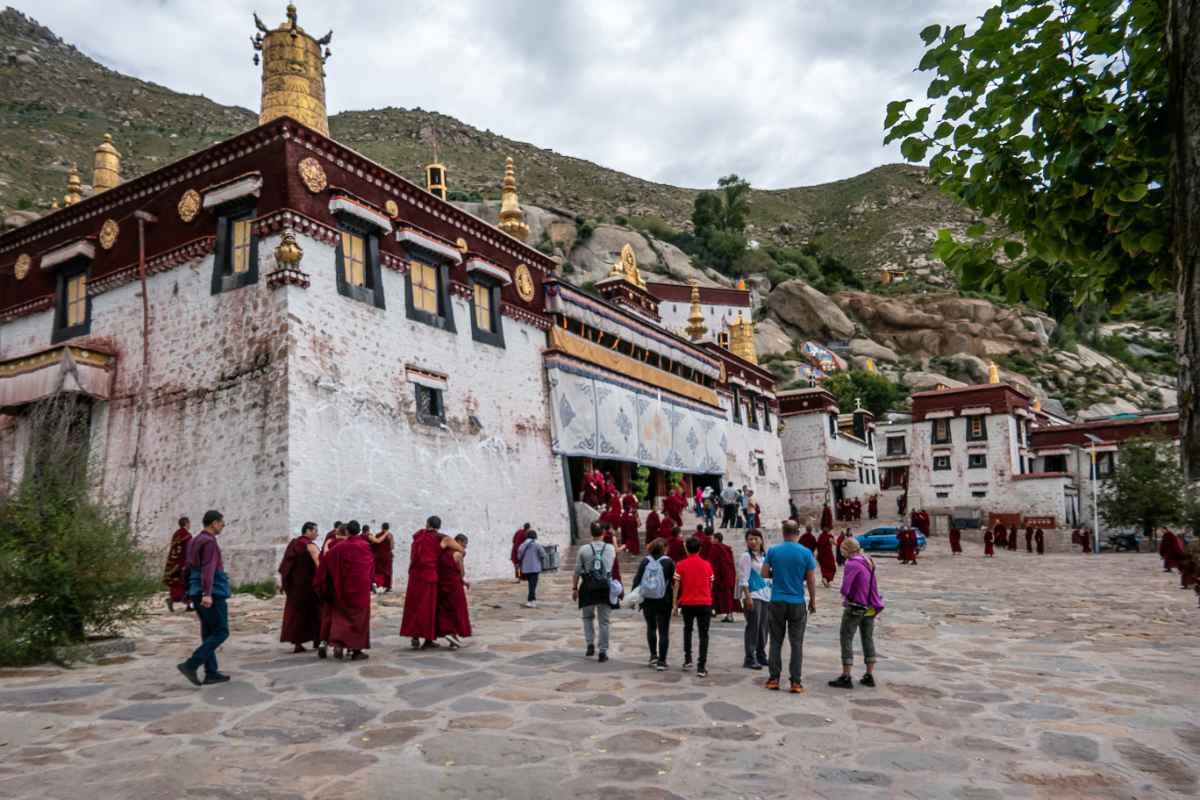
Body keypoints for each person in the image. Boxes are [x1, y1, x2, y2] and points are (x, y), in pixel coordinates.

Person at [762, 520, 817, 693]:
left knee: (775, 641)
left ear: (783, 532)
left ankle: (774, 679)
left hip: (777, 600)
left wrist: (777, 574)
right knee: (796, 643)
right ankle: (795, 682)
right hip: (797, 601)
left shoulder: (773, 551)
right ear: (797, 533)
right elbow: (811, 579)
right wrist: (813, 600)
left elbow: (764, 573)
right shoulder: (806, 553)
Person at [177, 510, 231, 687]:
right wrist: (207, 593)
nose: (223, 525)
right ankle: (191, 665)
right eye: (221, 522)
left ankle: (211, 673)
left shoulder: (194, 540)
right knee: (221, 631)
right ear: (214, 523)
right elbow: (209, 568)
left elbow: (187, 568)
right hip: (211, 592)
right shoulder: (209, 542)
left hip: (195, 590)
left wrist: (189, 591)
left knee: (208, 633)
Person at [828, 537, 884, 689]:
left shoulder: (852, 563)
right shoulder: (868, 560)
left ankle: (846, 676)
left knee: (846, 637)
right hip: (870, 605)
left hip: (856, 606)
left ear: (846, 550)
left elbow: (846, 588)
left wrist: (845, 596)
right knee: (867, 638)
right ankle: (869, 675)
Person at [400, 516, 464, 649]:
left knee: (415, 606)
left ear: (427, 524)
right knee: (428, 608)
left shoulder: (418, 537)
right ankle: (428, 639)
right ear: (439, 526)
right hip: (429, 576)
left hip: (414, 576)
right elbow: (461, 549)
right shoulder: (442, 538)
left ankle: (416, 636)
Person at [573, 521, 616, 662]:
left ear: (590, 533)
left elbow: (577, 571)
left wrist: (574, 588)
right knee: (604, 621)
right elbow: (611, 566)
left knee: (587, 617)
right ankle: (603, 652)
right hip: (605, 586)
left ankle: (590, 644)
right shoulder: (610, 548)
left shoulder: (583, 549)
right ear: (603, 532)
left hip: (588, 586)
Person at [673, 536, 714, 677]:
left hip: (687, 603)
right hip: (704, 602)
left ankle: (688, 659)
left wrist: (674, 604)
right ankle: (701, 666)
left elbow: (676, 585)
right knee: (704, 635)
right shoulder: (707, 565)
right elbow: (711, 584)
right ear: (700, 549)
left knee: (687, 630)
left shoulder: (680, 564)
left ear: (686, 548)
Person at [633, 538, 675, 671]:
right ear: (665, 548)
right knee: (663, 631)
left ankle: (653, 656)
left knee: (651, 627)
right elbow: (674, 582)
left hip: (647, 600)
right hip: (664, 600)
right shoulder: (668, 562)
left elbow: (637, 580)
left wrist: (636, 598)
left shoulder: (645, 561)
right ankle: (662, 661)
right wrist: (676, 601)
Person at [278, 521, 321, 653]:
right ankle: (317, 640)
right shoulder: (310, 546)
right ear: (308, 531)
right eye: (315, 531)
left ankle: (298, 644)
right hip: (309, 586)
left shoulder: (294, 544)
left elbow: (285, 565)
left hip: (295, 587)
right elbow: (319, 564)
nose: (317, 534)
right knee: (316, 612)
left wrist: (284, 583)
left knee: (297, 614)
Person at [737, 529, 770, 670]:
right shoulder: (746, 557)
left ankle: (761, 655)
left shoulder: (765, 556)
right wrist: (748, 597)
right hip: (753, 596)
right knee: (753, 627)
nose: (753, 541)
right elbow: (743, 578)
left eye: (756, 538)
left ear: (761, 540)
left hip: (766, 595)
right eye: (750, 539)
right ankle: (750, 658)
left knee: (764, 627)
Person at [437, 534, 472, 648]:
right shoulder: (458, 554)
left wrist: (464, 582)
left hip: (442, 585)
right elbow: (461, 573)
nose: (465, 547)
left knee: (446, 609)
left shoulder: (442, 553)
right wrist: (463, 580)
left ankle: (452, 638)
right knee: (457, 610)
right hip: (455, 586)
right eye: (464, 544)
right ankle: (452, 633)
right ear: (459, 542)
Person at [162, 517, 193, 613]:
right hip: (183, 564)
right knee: (186, 583)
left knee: (176, 584)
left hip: (174, 563)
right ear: (186, 523)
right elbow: (188, 550)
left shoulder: (176, 534)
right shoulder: (187, 536)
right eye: (189, 523)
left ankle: (186, 604)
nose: (190, 525)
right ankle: (176, 601)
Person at [711, 531, 738, 622]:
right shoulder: (727, 548)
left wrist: (715, 577)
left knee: (724, 596)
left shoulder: (715, 548)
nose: (712, 540)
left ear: (717, 539)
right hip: (729, 575)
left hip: (721, 576)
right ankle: (729, 615)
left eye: (713, 539)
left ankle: (727, 615)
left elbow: (713, 563)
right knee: (729, 596)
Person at [516, 530, 546, 607]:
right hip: (535, 568)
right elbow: (543, 554)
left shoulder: (522, 545)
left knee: (531, 584)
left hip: (526, 568)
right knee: (533, 585)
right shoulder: (537, 544)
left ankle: (532, 600)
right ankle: (530, 600)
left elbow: (519, 556)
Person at [368, 523, 394, 593]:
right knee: (388, 572)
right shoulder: (390, 535)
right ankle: (387, 587)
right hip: (387, 556)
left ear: (381, 527)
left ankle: (378, 585)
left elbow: (374, 545)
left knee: (378, 571)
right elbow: (392, 546)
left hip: (379, 556)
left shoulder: (378, 535)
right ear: (388, 528)